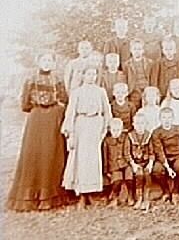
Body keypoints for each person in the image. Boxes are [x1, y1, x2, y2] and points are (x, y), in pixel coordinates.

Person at [7, 51, 68, 212]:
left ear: (53, 63)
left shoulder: (58, 79)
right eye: (44, 60)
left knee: (51, 154)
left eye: (50, 60)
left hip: (53, 118)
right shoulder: (30, 79)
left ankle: (50, 196)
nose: (47, 63)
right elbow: (25, 104)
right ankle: (30, 196)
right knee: (33, 154)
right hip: (36, 118)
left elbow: (64, 99)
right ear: (38, 62)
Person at [61, 67, 112, 209]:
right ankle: (81, 195)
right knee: (81, 160)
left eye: (94, 74)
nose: (91, 77)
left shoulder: (100, 91)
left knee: (93, 160)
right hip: (81, 125)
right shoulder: (77, 92)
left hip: (96, 125)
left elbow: (106, 110)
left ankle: (91, 193)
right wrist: (70, 132)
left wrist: (106, 127)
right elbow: (70, 112)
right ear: (83, 75)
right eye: (88, 74)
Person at [151, 107, 179, 205]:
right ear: (160, 119)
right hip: (163, 159)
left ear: (173, 118)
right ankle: (166, 191)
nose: (166, 120)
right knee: (157, 169)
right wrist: (167, 166)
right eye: (164, 118)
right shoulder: (156, 132)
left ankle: (176, 191)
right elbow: (159, 151)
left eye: (169, 118)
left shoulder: (178, 129)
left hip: (177, 156)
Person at [102, 118, 133, 207]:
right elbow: (105, 157)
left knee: (129, 178)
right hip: (114, 166)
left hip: (125, 163)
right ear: (110, 130)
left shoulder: (125, 138)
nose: (116, 132)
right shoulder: (107, 141)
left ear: (122, 129)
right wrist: (106, 170)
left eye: (118, 130)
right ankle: (115, 197)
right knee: (117, 181)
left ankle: (130, 196)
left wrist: (130, 163)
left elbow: (127, 151)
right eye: (114, 130)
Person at [126, 114, 155, 211]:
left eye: (142, 123)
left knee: (147, 174)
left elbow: (152, 152)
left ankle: (146, 199)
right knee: (139, 174)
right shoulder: (130, 136)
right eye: (137, 123)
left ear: (146, 124)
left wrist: (150, 163)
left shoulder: (148, 136)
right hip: (135, 163)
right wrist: (133, 164)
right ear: (133, 124)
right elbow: (127, 152)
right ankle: (139, 198)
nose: (140, 126)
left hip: (146, 162)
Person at [123, 39, 156, 109]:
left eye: (139, 49)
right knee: (135, 107)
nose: (137, 51)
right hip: (134, 90)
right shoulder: (127, 64)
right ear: (131, 50)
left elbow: (153, 78)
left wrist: (151, 89)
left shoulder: (150, 63)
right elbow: (126, 79)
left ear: (143, 50)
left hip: (147, 89)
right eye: (135, 49)